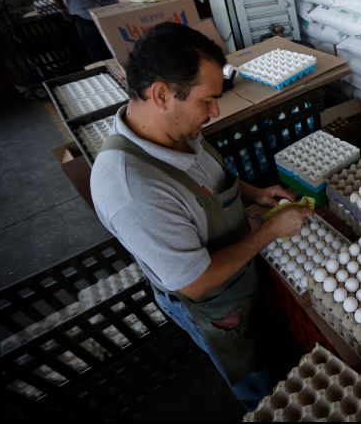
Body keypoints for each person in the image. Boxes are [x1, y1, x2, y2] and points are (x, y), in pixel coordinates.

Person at [90, 22, 312, 411]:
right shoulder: (132, 191)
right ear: (161, 94)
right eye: (207, 100)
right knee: (257, 378)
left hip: (238, 272)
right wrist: (270, 230)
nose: (214, 112)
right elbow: (194, 281)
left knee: (272, 344)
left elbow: (209, 177)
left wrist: (254, 192)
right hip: (214, 301)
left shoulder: (176, 129)